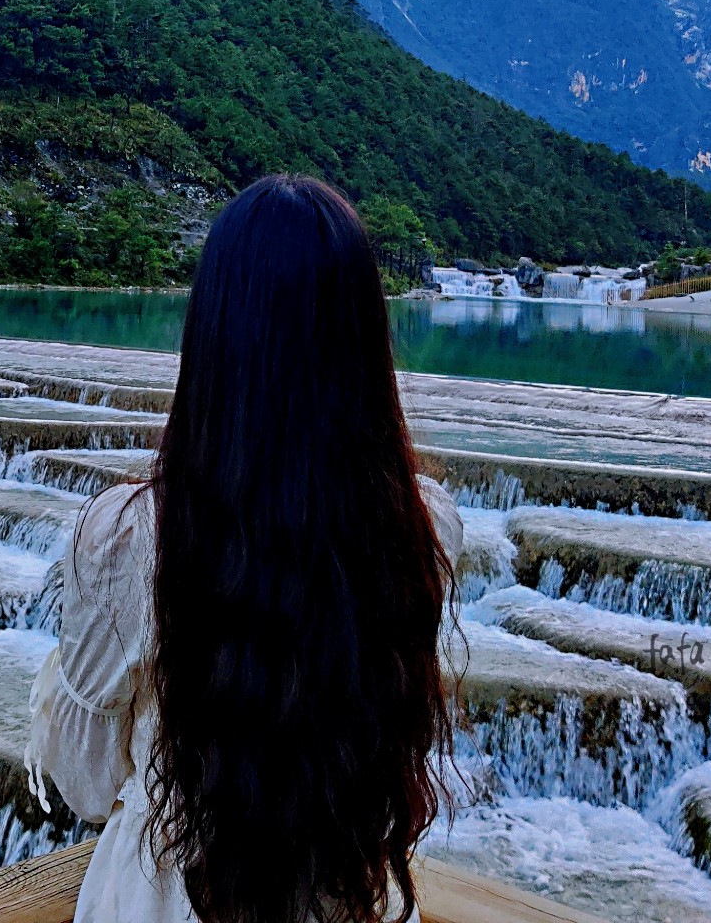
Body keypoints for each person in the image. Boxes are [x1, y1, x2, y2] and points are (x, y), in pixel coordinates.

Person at [28, 175, 460, 923]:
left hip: (169, 900)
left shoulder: (131, 537)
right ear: (361, 336)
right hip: (352, 898)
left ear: (214, 332)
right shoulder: (421, 523)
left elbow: (87, 783)